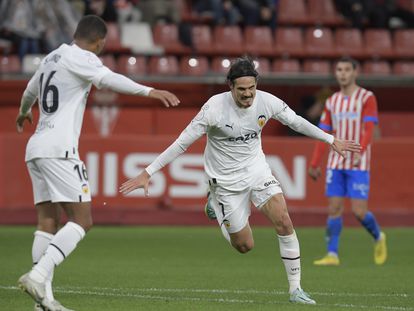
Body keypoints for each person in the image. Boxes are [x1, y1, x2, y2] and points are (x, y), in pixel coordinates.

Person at [120, 57, 361, 305]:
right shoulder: (213, 109)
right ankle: (214, 203)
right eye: (242, 89)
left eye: (252, 88)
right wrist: (148, 172)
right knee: (245, 246)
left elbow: (296, 121)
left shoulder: (267, 102)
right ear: (230, 86)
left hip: (257, 171)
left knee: (284, 220)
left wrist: (331, 140)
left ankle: (295, 289)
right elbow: (181, 143)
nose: (248, 95)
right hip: (224, 182)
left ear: (257, 84)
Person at [16, 15, 180, 311]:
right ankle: (38, 275)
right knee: (82, 220)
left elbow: (29, 91)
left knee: (47, 222)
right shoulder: (82, 57)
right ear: (101, 42)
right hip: (60, 149)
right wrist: (149, 90)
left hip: (36, 147)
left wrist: (23, 111)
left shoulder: (52, 56)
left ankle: (44, 302)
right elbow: (109, 80)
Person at [309, 56, 387, 266]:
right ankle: (332, 254)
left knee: (359, 211)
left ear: (355, 72)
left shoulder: (366, 97)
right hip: (336, 161)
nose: (342, 73)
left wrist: (360, 151)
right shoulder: (332, 101)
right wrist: (315, 163)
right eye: (339, 70)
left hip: (358, 163)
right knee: (334, 208)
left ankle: (379, 237)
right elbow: (323, 133)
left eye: (346, 70)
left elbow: (369, 128)